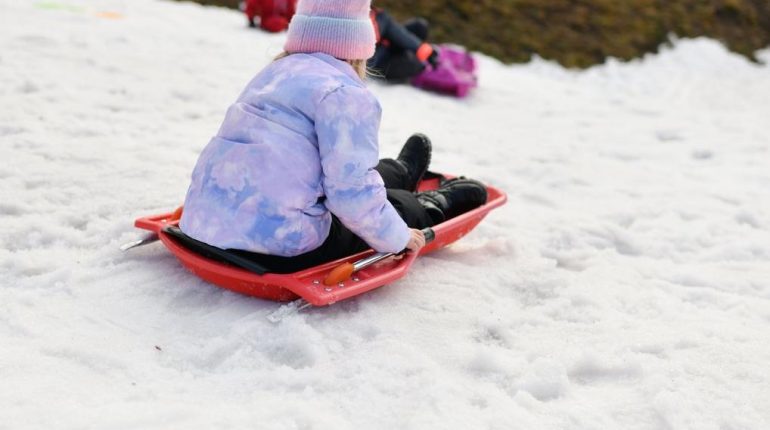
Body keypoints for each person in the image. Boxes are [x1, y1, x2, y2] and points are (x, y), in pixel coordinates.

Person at [179, 0, 487, 273]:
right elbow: (349, 194)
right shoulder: (344, 93)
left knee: (350, 171)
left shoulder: (273, 74)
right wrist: (399, 236)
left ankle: (399, 171)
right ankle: (428, 204)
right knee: (377, 206)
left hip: (204, 223)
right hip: (280, 245)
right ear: (357, 46)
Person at [368, 7, 439, 82]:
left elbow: (398, 32)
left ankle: (421, 57)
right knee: (415, 65)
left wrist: (424, 50)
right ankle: (420, 69)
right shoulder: (358, 16)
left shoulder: (378, 14)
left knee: (419, 27)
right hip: (378, 60)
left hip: (387, 44)